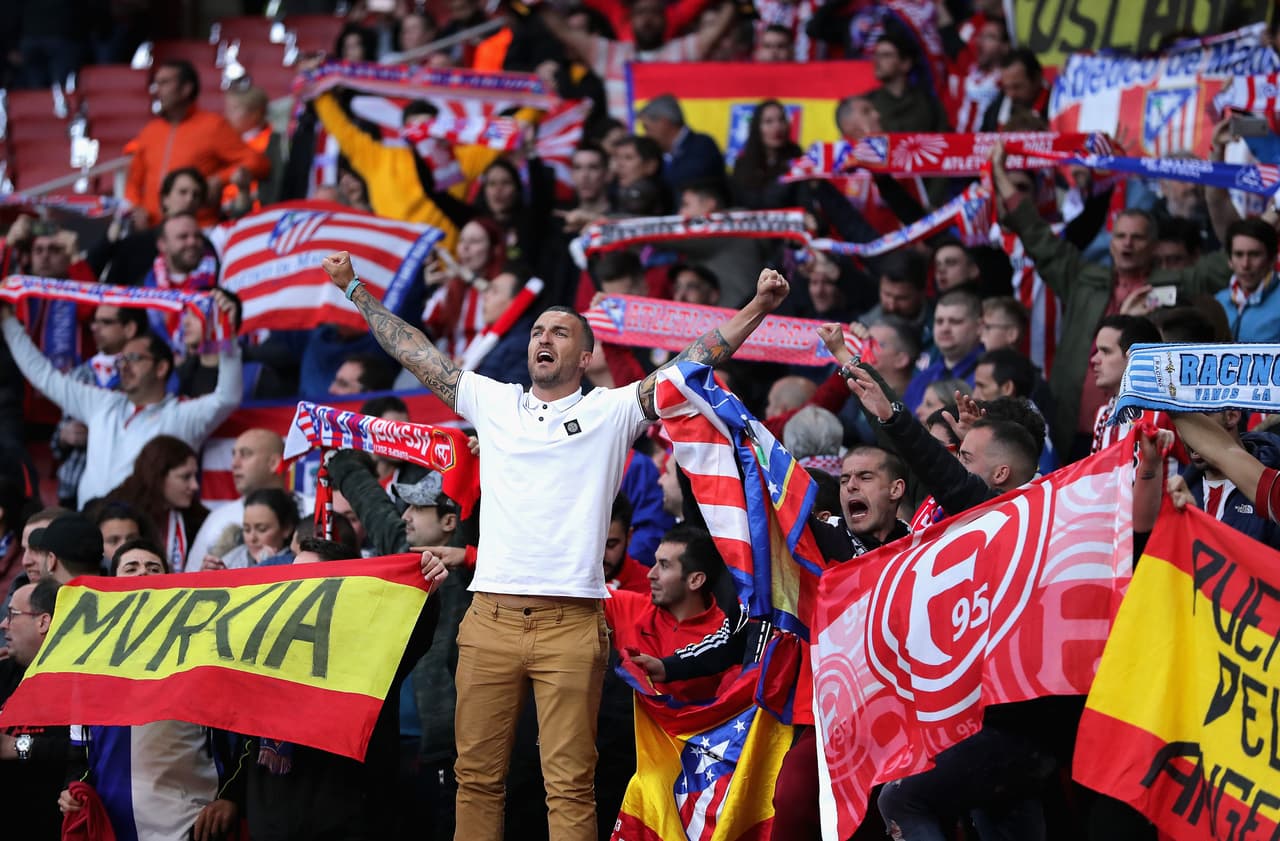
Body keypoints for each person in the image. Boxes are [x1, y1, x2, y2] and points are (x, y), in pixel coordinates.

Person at [321, 247, 788, 840]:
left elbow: (693, 362)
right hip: (487, 617)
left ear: (585, 355)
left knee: (568, 784)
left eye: (561, 332)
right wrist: (356, 290)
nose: (544, 337)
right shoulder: (493, 402)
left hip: (572, 622)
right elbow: (416, 352)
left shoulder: (613, 410)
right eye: (538, 329)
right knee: (477, 779)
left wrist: (758, 307)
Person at [991, 142, 1231, 457]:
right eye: (1121, 236)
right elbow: (1035, 233)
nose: (1128, 243)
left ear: (1154, 246)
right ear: (1112, 243)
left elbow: (1237, 255)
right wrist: (998, 171)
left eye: (1138, 237)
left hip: (1140, 434)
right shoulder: (1082, 279)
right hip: (1073, 433)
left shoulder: (1178, 284)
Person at [58, 538, 246, 839]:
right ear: (112, 584)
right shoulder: (88, 660)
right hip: (113, 825)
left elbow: (244, 736)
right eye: (131, 568)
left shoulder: (205, 651)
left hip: (192, 823)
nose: (142, 573)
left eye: (153, 567)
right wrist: (72, 789)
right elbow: (79, 753)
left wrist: (233, 797)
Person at [124, 59, 270, 228]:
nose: (157, 90)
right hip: (154, 232)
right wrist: (136, 208)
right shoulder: (150, 131)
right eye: (156, 83)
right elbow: (133, 183)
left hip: (198, 231)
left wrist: (219, 179)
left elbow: (258, 163)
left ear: (186, 89)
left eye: (164, 83)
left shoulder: (213, 126)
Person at [49, 304, 150, 508]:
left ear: (130, 328)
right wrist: (64, 436)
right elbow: (56, 447)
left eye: (105, 322)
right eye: (94, 321)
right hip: (73, 490)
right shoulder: (78, 375)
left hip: (125, 492)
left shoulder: (145, 376)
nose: (94, 327)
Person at [0, 577, 67, 838]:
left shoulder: (77, 684)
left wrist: (17, 747)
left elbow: (85, 749)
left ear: (43, 621)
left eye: (12, 614)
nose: (4, 624)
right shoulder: (5, 673)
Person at [185, 429, 299, 571]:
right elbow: (190, 578)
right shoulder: (216, 520)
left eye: (245, 454)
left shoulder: (313, 509)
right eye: (246, 529)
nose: (234, 464)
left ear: (274, 463)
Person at [103, 435, 208, 572]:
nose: (194, 486)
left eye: (195, 476)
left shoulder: (197, 518)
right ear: (158, 476)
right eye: (185, 477)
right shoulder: (118, 511)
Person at [903, 290, 984, 414]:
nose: (945, 328)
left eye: (955, 321)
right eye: (939, 321)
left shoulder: (988, 378)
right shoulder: (921, 379)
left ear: (979, 327)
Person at [637, 94, 724, 194]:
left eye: (647, 128)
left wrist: (643, 174)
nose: (646, 135)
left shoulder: (702, 145)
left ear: (664, 123)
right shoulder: (660, 154)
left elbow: (684, 181)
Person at [866, 31, 950, 134]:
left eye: (886, 55)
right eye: (876, 55)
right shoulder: (868, 103)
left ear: (905, 63)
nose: (877, 61)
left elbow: (944, 138)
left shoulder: (929, 103)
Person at [1214, 217, 1280, 341]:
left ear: (1272, 259)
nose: (1245, 264)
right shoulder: (1218, 302)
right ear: (1229, 260)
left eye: (1255, 254)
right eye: (1239, 254)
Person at [731, 99, 803, 209]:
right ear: (757, 128)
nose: (777, 127)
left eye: (781, 120)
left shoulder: (797, 159)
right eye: (769, 122)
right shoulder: (743, 164)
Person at [213, 488, 299, 569]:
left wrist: (268, 564)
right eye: (247, 529)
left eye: (262, 529)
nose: (252, 538)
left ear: (286, 528)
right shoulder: (229, 559)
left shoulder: (298, 563)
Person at [28, 513, 106, 584]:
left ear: (51, 560)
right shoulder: (115, 595)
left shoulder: (29, 598)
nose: (25, 561)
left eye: (39, 553)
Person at [604, 495, 649, 594]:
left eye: (611, 544)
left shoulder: (650, 589)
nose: (602, 555)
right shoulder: (566, 583)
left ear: (629, 537)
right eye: (594, 547)